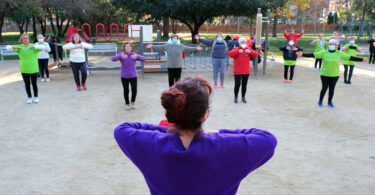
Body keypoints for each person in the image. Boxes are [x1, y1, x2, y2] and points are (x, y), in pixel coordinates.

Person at [114, 77, 277, 195]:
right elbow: (268, 139)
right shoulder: (227, 146)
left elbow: (122, 129)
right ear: (205, 114)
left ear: (171, 112)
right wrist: (220, 133)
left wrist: (166, 130)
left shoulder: (152, 145)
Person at [297, 39, 367, 108]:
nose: (331, 45)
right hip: (325, 74)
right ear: (328, 45)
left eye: (333, 44)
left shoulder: (339, 53)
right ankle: (320, 101)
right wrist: (303, 54)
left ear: (336, 46)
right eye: (330, 44)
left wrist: (361, 59)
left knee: (332, 89)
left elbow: (350, 57)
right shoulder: (324, 52)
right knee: (324, 88)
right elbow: (313, 55)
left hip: (335, 74)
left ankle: (330, 102)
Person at [5, 33, 46, 104]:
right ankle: (29, 97)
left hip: (33, 68)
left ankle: (36, 97)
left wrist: (35, 47)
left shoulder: (33, 46)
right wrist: (14, 47)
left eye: (27, 38)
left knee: (34, 84)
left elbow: (44, 47)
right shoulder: (20, 47)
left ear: (29, 39)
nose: (25, 39)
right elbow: (7, 47)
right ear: (21, 40)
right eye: (24, 38)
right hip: (24, 68)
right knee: (27, 84)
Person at [111, 42, 146, 110]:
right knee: (126, 91)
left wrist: (137, 56)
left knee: (134, 90)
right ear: (124, 48)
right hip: (124, 76)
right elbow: (112, 59)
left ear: (131, 48)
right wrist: (120, 56)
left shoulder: (134, 55)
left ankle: (132, 102)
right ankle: (127, 104)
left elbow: (144, 59)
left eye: (129, 46)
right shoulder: (122, 54)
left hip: (133, 76)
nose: (128, 47)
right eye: (126, 46)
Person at [228, 37, 258, 103]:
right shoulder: (236, 48)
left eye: (244, 42)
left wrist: (250, 51)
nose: (243, 43)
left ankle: (243, 97)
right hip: (237, 70)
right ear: (239, 43)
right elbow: (230, 54)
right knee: (237, 84)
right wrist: (237, 51)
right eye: (242, 42)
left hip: (246, 70)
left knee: (244, 84)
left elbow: (256, 54)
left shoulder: (248, 49)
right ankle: (235, 97)